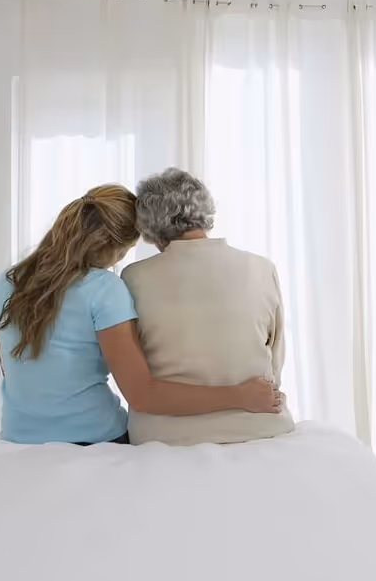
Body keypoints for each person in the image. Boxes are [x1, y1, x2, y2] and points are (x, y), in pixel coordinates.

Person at [0, 184, 282, 445]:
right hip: (94, 436)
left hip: (18, 433)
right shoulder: (104, 289)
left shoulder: (6, 282)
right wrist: (240, 395)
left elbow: (12, 369)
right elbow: (143, 395)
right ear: (116, 247)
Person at [122, 168, 295, 446]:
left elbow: (134, 375)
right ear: (205, 211)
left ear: (149, 226)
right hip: (258, 425)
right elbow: (275, 359)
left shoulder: (134, 277)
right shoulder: (262, 268)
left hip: (164, 435)